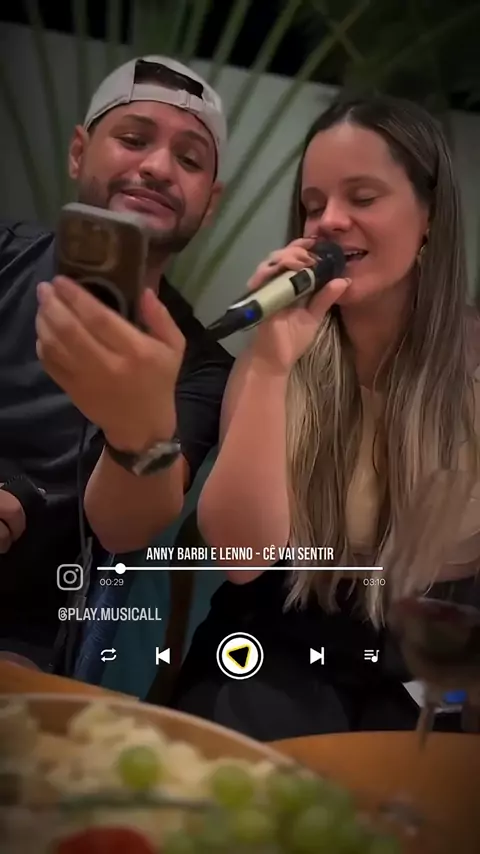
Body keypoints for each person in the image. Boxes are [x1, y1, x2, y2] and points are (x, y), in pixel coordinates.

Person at [169, 94, 480, 741]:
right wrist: (272, 364)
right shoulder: (275, 355)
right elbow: (240, 558)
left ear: (430, 216)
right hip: (277, 638)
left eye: (362, 197)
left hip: (430, 650)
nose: (330, 221)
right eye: (313, 206)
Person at [0, 55, 233, 670]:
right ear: (79, 153)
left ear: (210, 203)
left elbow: (125, 529)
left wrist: (140, 425)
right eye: (133, 139)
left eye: (189, 160)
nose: (157, 167)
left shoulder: (201, 368)